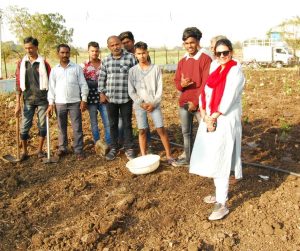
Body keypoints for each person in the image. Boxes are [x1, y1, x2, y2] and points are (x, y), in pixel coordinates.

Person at [189, 38, 245, 220]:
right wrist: (204, 113)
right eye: (218, 53)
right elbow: (206, 90)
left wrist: (213, 117)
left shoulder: (235, 70)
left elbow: (228, 98)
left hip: (225, 118)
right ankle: (220, 193)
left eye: (225, 53)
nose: (222, 56)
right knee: (213, 155)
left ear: (231, 52)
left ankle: (222, 203)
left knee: (221, 157)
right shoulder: (214, 66)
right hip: (210, 117)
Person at [172, 27, 212, 167]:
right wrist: (182, 84)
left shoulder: (205, 59)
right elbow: (177, 82)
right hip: (184, 103)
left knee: (205, 131)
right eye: (186, 43)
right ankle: (188, 159)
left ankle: (206, 160)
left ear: (198, 42)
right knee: (186, 132)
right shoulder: (183, 61)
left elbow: (205, 84)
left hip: (199, 104)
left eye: (192, 42)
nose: (189, 46)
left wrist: (196, 102)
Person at [128, 41, 174, 163]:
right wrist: (141, 102)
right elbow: (131, 91)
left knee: (160, 129)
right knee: (142, 130)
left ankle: (169, 155)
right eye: (139, 53)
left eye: (143, 53)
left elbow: (159, 89)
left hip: (154, 104)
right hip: (140, 105)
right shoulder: (132, 71)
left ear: (147, 53)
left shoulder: (155, 69)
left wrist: (153, 103)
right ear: (135, 55)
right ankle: (144, 156)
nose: (142, 56)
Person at [47, 44, 89, 161]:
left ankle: (79, 150)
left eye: (67, 53)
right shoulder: (54, 70)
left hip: (75, 102)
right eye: (62, 53)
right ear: (58, 54)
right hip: (60, 103)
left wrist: (84, 99)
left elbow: (83, 84)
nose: (65, 55)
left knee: (77, 127)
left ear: (69, 53)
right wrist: (51, 103)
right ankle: (63, 148)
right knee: (61, 127)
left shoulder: (76, 68)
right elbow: (51, 88)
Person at [98, 36, 136, 161]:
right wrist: (102, 94)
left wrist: (135, 95)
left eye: (117, 44)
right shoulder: (106, 60)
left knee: (127, 123)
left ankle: (129, 148)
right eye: (112, 45)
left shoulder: (130, 58)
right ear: (109, 47)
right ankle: (114, 148)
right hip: (111, 98)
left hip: (126, 97)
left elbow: (136, 76)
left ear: (121, 44)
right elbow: (102, 78)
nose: (115, 47)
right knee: (112, 124)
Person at [15, 36, 51, 160]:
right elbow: (18, 83)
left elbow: (50, 83)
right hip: (28, 99)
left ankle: (40, 150)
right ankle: (24, 152)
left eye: (31, 47)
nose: (28, 50)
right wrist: (17, 103)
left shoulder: (44, 63)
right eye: (26, 48)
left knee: (42, 125)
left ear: (36, 47)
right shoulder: (21, 63)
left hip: (42, 99)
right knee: (25, 125)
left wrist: (51, 103)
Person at [118, 31, 153, 151]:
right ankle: (126, 144)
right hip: (127, 92)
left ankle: (149, 144)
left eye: (127, 42)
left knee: (144, 121)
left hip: (142, 94)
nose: (125, 45)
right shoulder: (122, 56)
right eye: (123, 43)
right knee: (124, 120)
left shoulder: (141, 54)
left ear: (133, 41)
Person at [81, 41, 111, 152]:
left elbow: (108, 79)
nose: (95, 53)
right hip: (90, 98)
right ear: (88, 51)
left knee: (107, 121)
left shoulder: (104, 63)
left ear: (99, 51)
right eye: (92, 51)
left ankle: (108, 144)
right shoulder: (83, 65)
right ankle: (98, 143)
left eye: (96, 51)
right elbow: (81, 83)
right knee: (94, 123)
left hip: (103, 96)